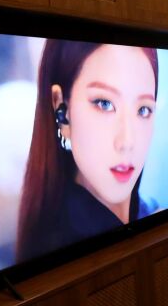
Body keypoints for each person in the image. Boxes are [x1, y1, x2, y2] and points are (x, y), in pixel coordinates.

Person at [17, 41, 159, 263]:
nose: (127, 141)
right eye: (104, 104)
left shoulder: (151, 211)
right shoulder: (57, 252)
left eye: (143, 109)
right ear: (61, 110)